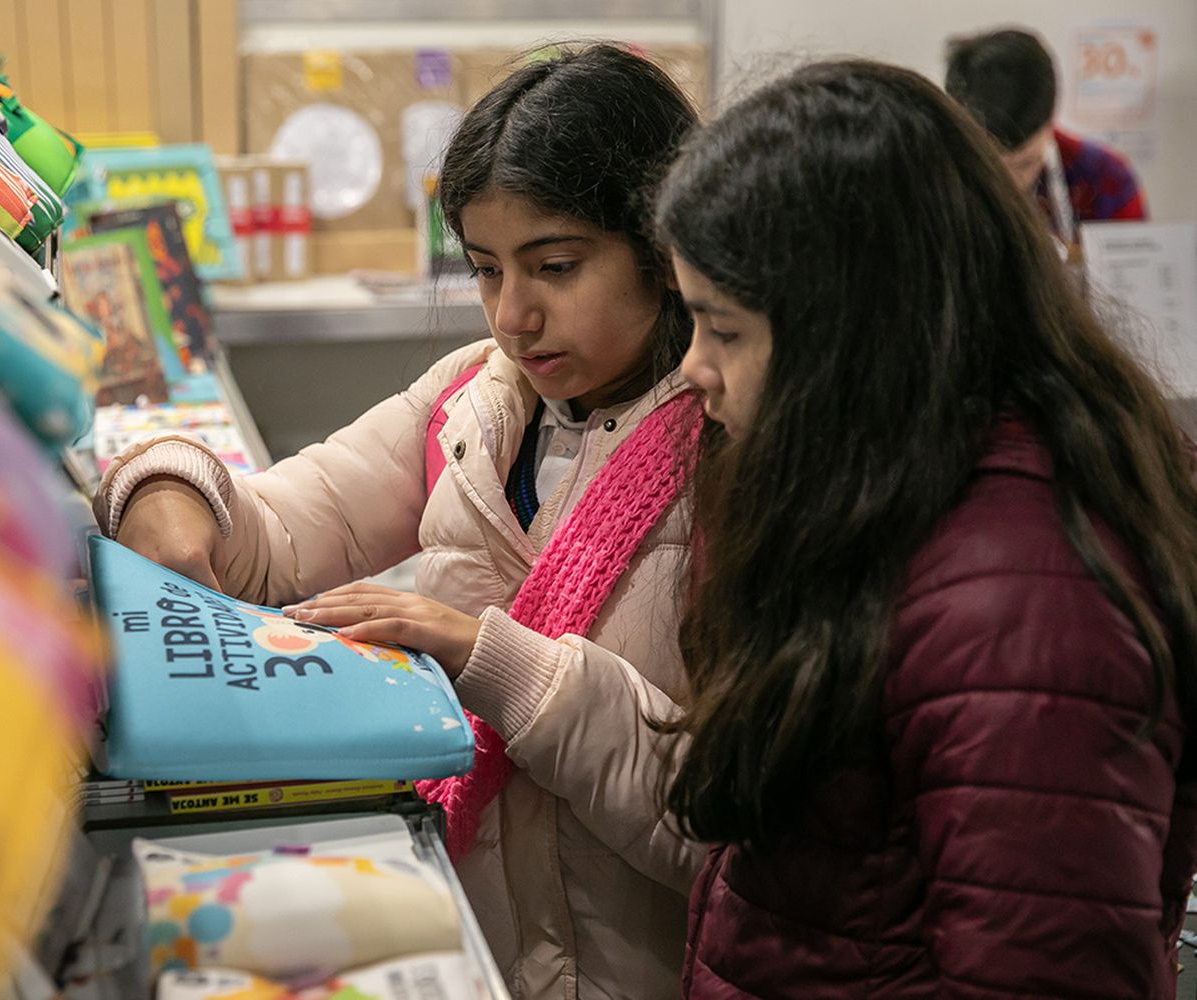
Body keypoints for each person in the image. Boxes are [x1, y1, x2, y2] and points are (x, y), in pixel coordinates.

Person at [391, 57, 1197, 997]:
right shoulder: (875, 487)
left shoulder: (1027, 603)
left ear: (855, 326)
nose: (693, 371)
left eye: (723, 329)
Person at [95, 44, 707, 999]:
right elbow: (286, 527)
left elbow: (725, 832)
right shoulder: (472, 402)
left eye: (555, 266)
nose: (514, 315)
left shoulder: (732, 452)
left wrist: (490, 660)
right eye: (485, 269)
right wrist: (165, 485)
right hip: (480, 946)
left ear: (665, 245)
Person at [945, 26, 1147, 246]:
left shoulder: (1104, 178)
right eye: (989, 166)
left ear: (1049, 123)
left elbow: (1133, 271)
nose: (1009, 183)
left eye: (1025, 165)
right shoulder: (929, 177)